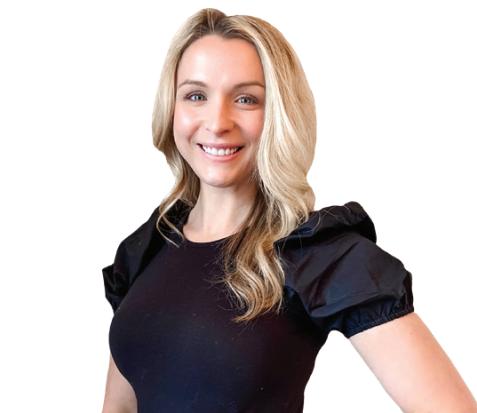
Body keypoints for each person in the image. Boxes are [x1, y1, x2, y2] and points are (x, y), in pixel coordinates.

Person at [101, 8, 477, 413]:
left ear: (279, 114)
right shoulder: (147, 249)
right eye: (196, 96)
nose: (218, 121)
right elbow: (119, 408)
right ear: (171, 108)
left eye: (246, 99)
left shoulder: (318, 256)